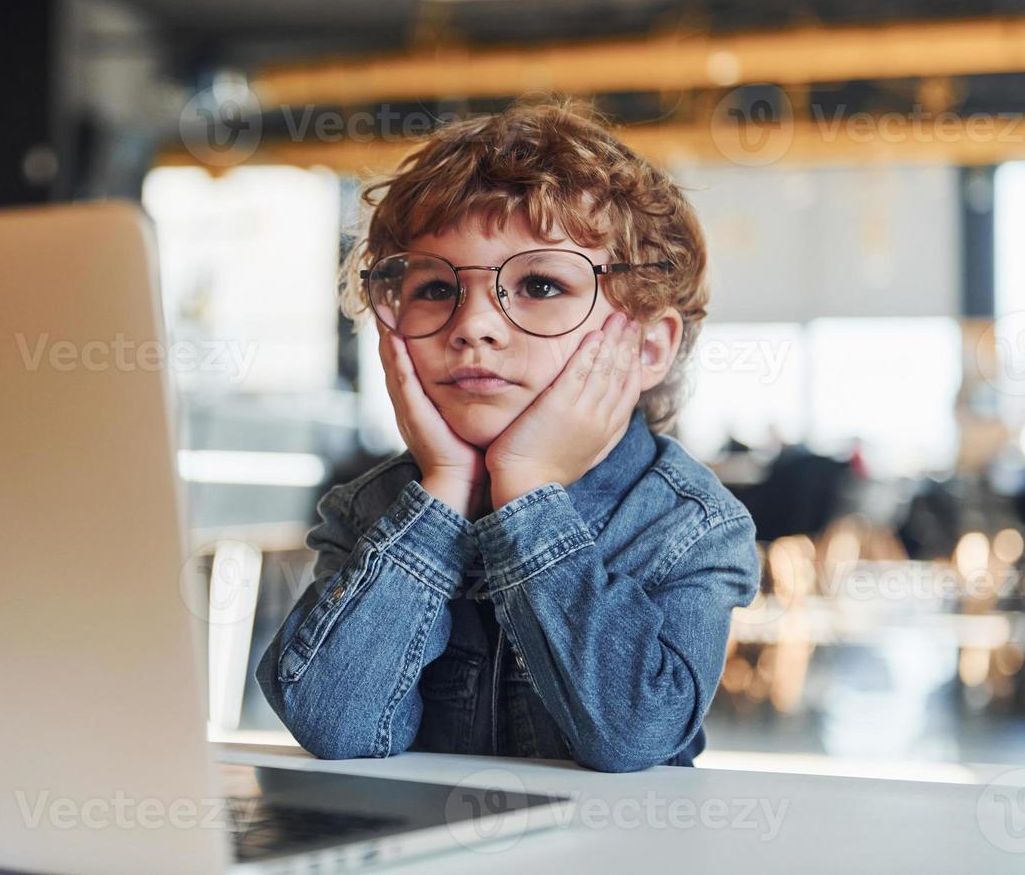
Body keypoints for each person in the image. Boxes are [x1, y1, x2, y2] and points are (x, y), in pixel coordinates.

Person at [255, 97, 761, 772]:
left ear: (645, 347)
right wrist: (442, 496)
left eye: (541, 285)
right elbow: (338, 725)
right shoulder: (373, 508)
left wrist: (525, 491)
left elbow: (633, 736)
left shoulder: (690, 528)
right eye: (435, 289)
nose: (473, 326)